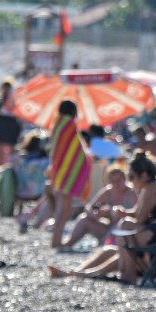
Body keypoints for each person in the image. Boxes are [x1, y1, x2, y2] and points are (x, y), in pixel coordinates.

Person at [47, 152, 156, 283]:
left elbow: (139, 219)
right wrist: (123, 213)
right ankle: (76, 273)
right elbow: (139, 214)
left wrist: (123, 215)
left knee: (125, 225)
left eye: (131, 176)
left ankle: (126, 275)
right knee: (109, 250)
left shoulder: (151, 188)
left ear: (144, 175)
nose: (130, 181)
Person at [46, 100, 92, 249]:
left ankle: (56, 239)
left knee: (62, 207)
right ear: (73, 111)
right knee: (65, 209)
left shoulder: (57, 125)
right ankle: (56, 240)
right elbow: (74, 148)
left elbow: (62, 150)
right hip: (67, 173)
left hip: (59, 171)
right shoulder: (69, 125)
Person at [61, 166, 139, 249]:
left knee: (119, 221)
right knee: (83, 219)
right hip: (108, 228)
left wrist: (120, 212)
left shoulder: (132, 192)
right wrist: (96, 214)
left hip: (125, 230)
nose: (116, 184)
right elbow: (88, 207)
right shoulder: (108, 192)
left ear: (125, 179)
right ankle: (67, 244)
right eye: (113, 181)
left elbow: (137, 213)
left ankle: (104, 244)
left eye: (119, 180)